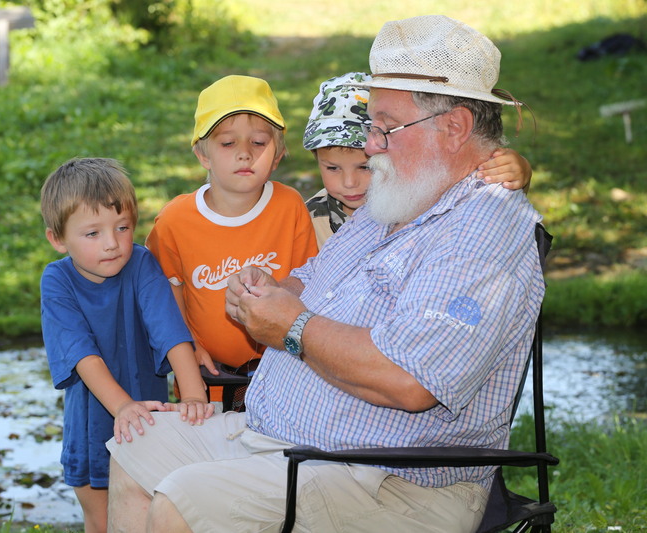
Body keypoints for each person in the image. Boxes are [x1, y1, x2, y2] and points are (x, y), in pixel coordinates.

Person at [107, 14, 546, 533]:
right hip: (292, 445)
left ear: (453, 128)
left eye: (385, 128)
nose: (372, 146)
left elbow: (411, 382)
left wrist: (291, 327)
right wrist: (268, 292)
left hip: (392, 482)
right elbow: (314, 276)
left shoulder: (482, 230)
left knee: (184, 500)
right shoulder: (398, 197)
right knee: (139, 445)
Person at [39, 157, 214, 533]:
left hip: (151, 423)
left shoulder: (141, 263)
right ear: (57, 238)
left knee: (154, 515)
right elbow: (81, 353)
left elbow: (170, 330)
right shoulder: (57, 281)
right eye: (93, 234)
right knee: (103, 522)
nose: (113, 244)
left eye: (122, 228)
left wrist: (195, 395)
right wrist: (123, 407)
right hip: (95, 424)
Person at [145, 75, 318, 405]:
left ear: (278, 154)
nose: (245, 154)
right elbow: (166, 291)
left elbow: (306, 281)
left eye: (258, 142)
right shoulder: (175, 220)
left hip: (280, 370)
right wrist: (188, 345)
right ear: (203, 155)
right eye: (228, 143)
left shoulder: (289, 206)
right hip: (207, 376)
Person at [303, 71, 534, 247]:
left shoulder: (415, 189)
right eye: (333, 168)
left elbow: (482, 180)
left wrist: (519, 171)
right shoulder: (308, 219)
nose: (350, 182)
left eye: (365, 166)